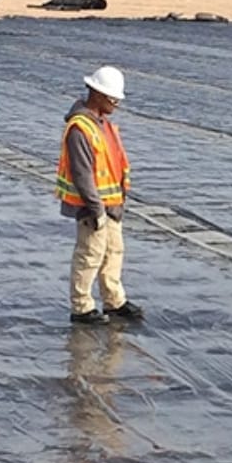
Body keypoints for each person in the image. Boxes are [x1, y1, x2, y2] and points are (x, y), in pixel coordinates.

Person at [57, 66, 143, 325]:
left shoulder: (103, 125)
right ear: (96, 94)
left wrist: (117, 204)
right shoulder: (80, 128)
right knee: (90, 255)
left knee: (113, 253)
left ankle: (114, 300)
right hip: (93, 208)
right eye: (112, 98)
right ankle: (82, 307)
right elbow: (83, 175)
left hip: (113, 205)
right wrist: (96, 210)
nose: (116, 104)